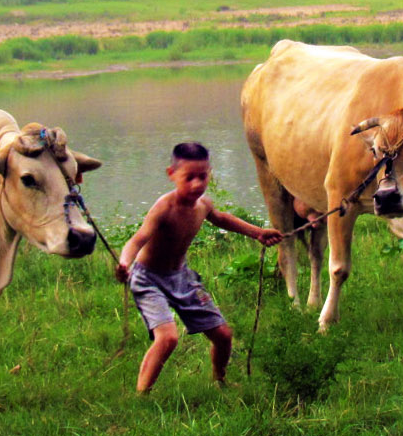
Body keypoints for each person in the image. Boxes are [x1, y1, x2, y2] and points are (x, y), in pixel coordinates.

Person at [117, 142, 283, 393]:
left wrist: (257, 233)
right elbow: (138, 239)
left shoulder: (203, 205)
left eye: (202, 177)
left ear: (210, 173)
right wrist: (124, 262)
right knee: (168, 338)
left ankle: (220, 381)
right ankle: (142, 395)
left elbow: (222, 219)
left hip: (181, 277)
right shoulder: (164, 207)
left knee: (223, 335)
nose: (197, 184)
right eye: (189, 178)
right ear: (171, 174)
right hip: (148, 278)